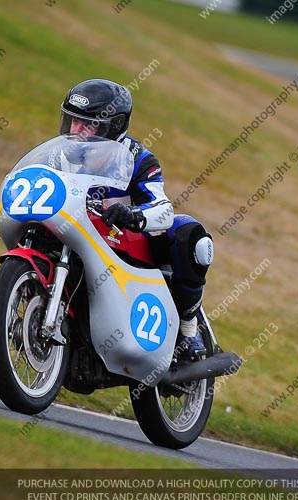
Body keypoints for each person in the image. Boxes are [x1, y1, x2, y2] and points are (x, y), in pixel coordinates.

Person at [59, 79, 214, 359]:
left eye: (89, 125)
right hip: (76, 232)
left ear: (114, 127)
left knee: (190, 235)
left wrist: (133, 214)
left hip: (123, 245)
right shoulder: (59, 155)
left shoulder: (139, 160)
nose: (76, 131)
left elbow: (163, 209)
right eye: (73, 121)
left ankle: (188, 330)